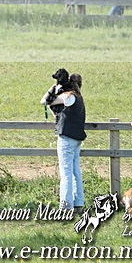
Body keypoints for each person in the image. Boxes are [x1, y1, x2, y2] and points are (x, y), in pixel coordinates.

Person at [41, 70, 86, 212]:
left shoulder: (67, 96)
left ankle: (66, 206)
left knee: (65, 173)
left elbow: (44, 101)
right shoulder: (79, 98)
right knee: (75, 171)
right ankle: (78, 203)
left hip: (66, 137)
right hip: (77, 138)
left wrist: (54, 86)